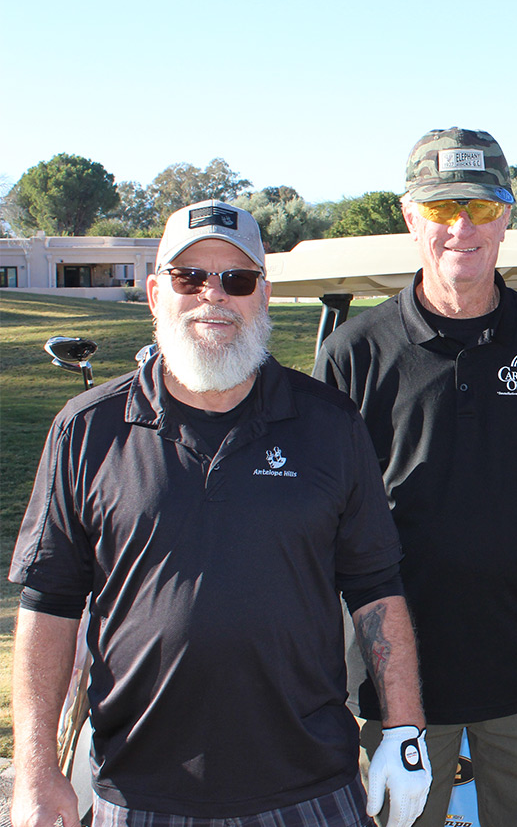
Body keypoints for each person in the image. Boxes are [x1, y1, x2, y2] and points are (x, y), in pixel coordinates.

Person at [10, 200, 431, 827]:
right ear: (155, 293)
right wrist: (39, 771)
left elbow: (375, 587)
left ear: (263, 294)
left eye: (236, 279)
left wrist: (405, 728)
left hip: (308, 787)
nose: (215, 296)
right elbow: (49, 604)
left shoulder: (330, 424)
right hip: (140, 790)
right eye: (190, 278)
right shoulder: (87, 430)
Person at [314, 128, 517, 827]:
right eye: (443, 208)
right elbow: (319, 529)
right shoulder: (354, 354)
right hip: (400, 686)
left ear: (508, 215)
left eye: (481, 208)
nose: (461, 228)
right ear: (410, 216)